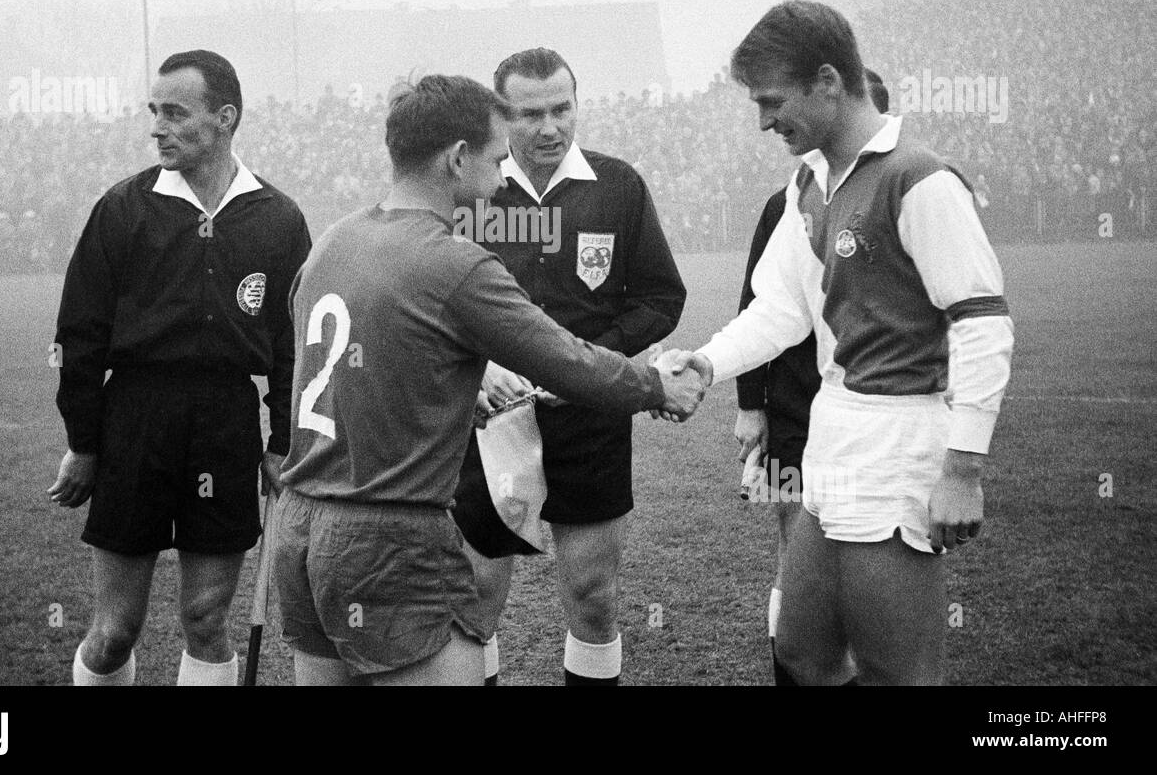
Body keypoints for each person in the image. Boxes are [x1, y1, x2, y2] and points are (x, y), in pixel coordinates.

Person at [272, 74, 705, 687]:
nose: (504, 177)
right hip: (389, 533)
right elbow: (567, 361)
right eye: (497, 158)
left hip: (302, 525)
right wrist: (657, 385)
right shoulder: (454, 261)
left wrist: (454, 385)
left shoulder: (333, 242)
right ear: (456, 158)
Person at [661, 2, 1014, 685]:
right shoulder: (810, 181)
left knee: (897, 671)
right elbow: (783, 310)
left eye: (771, 100)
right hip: (831, 435)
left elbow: (983, 323)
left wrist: (963, 471)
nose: (764, 120)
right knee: (804, 653)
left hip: (899, 441)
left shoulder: (922, 180)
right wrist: (708, 362)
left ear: (827, 81)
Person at [47, 49, 311, 686]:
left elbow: (290, 344)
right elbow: (78, 335)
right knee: (113, 633)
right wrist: (84, 442)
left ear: (224, 118)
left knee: (205, 619)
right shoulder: (124, 207)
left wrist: (282, 441)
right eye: (154, 113)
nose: (157, 128)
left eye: (174, 113)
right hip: (134, 419)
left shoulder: (277, 218)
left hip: (225, 423)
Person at [452, 48, 687, 686]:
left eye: (562, 108)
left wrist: (591, 362)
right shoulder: (471, 190)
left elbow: (662, 299)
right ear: (502, 116)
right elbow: (425, 305)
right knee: (474, 600)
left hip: (589, 417)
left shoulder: (617, 185)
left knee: (594, 596)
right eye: (531, 114)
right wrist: (476, 369)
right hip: (487, 420)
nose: (550, 127)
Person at [733, 66, 890, 686]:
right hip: (793, 409)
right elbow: (756, 306)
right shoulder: (787, 203)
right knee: (795, 548)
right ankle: (796, 672)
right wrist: (751, 405)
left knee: (864, 559)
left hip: (870, 416)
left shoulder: (902, 191)